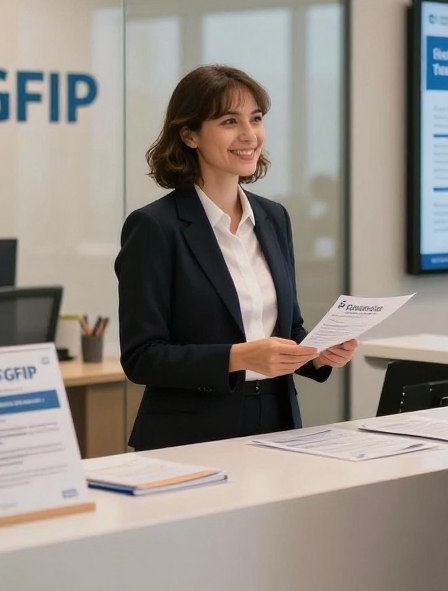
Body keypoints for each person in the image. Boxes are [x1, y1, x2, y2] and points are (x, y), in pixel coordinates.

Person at [115, 64, 356, 450]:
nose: (249, 135)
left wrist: (318, 353)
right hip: (189, 436)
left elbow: (288, 328)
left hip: (277, 422)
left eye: (256, 119)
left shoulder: (273, 218)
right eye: (230, 121)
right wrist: (238, 357)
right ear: (189, 135)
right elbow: (142, 357)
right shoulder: (155, 227)